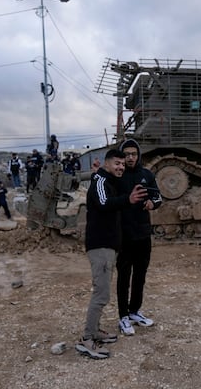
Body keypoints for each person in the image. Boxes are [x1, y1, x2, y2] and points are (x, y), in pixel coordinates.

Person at [75, 149, 147, 360]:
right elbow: (105, 202)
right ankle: (87, 338)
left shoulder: (104, 179)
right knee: (101, 294)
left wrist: (100, 173)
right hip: (101, 246)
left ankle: (95, 331)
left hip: (108, 246)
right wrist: (130, 199)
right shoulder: (100, 182)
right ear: (107, 163)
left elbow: (109, 194)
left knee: (102, 292)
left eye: (123, 164)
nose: (121, 167)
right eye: (117, 163)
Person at [116, 139, 162, 336]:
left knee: (140, 275)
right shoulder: (116, 176)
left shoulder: (147, 175)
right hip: (123, 235)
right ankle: (123, 316)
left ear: (139, 155)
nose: (130, 157)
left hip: (143, 234)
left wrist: (152, 204)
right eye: (126, 154)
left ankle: (135, 311)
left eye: (133, 154)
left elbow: (158, 197)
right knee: (124, 277)